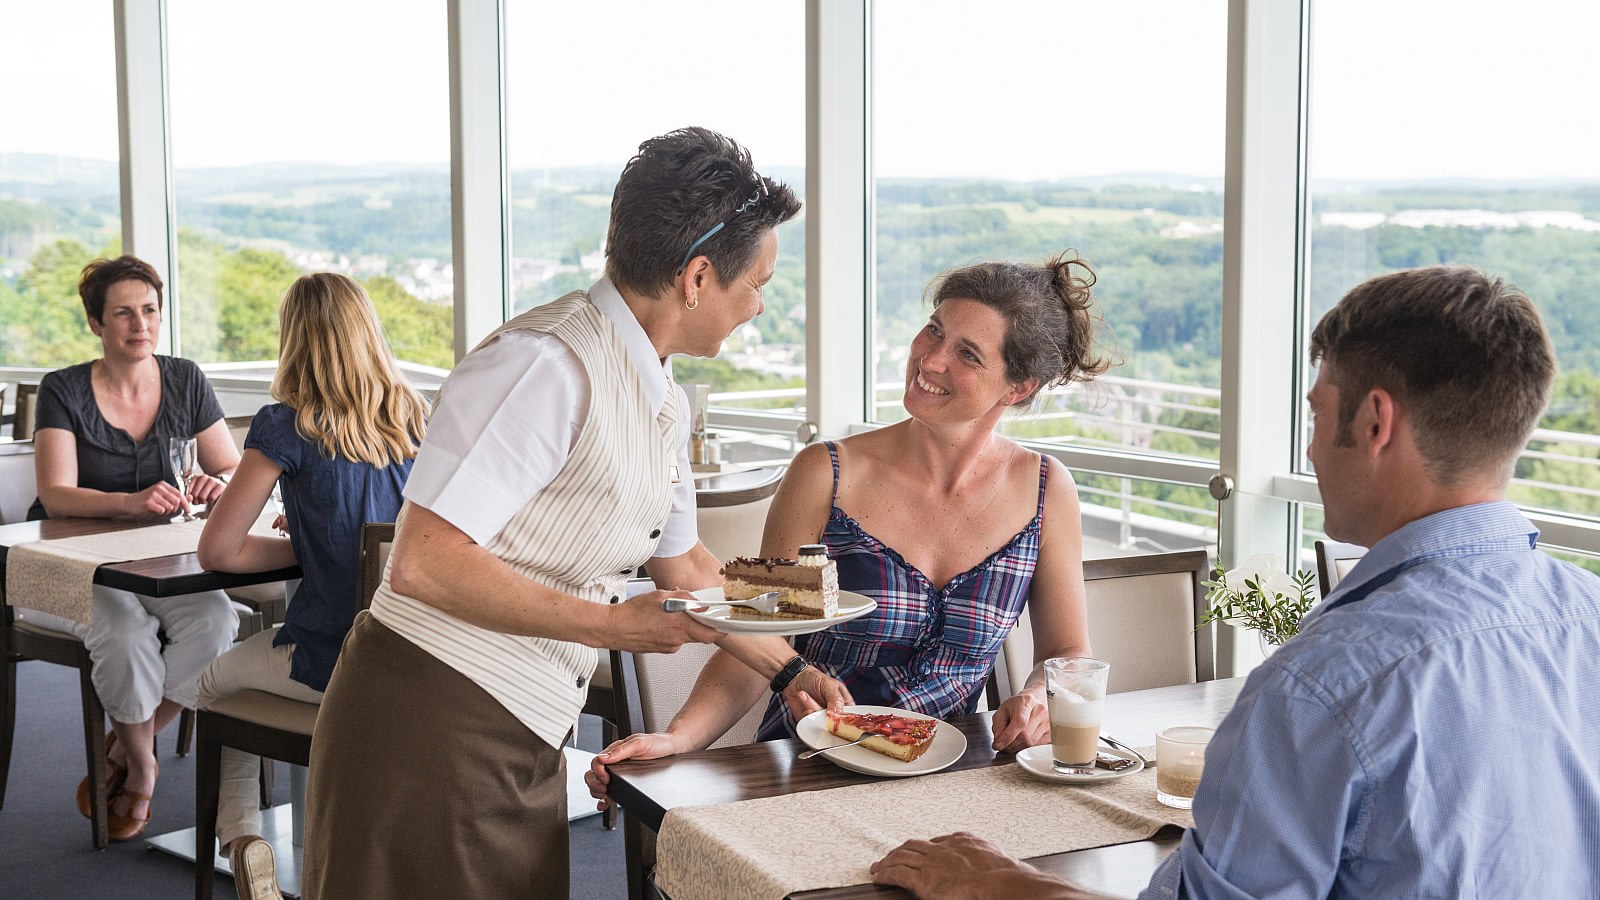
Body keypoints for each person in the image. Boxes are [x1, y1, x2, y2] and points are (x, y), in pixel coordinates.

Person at [870, 266, 1600, 899]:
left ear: (1376, 423)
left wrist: (992, 883)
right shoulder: (1587, 616)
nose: (1309, 448)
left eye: (1315, 413)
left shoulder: (1323, 683)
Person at [301, 127, 801, 900]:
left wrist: (794, 671)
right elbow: (425, 561)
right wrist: (612, 627)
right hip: (429, 719)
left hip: (518, 726)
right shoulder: (544, 365)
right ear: (698, 276)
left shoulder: (655, 391)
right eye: (757, 283)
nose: (762, 305)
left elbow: (686, 566)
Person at [586, 252, 1108, 807]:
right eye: (934, 330)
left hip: (958, 780)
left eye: (967, 354)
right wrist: (677, 739)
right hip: (810, 774)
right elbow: (764, 634)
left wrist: (1037, 699)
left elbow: (1067, 653)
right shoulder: (826, 475)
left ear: (1017, 388)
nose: (930, 359)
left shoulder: (1046, 490)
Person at [193, 272, 427, 899]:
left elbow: (218, 548)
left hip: (332, 663)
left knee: (213, 681)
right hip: (422, 662)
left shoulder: (286, 427)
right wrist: (324, 539)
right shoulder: (417, 417)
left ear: (293, 340)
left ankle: (244, 845)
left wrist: (307, 543)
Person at [26, 254, 241, 841]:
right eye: (122, 313)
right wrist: (130, 502)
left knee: (218, 621)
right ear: (96, 323)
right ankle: (143, 769)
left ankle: (123, 741)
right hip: (63, 566)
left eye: (149, 310)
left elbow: (230, 467)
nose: (139, 324)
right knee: (122, 631)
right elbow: (56, 493)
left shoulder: (186, 378)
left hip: (155, 562)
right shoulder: (63, 389)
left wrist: (215, 484)